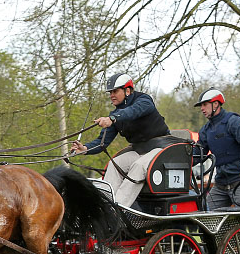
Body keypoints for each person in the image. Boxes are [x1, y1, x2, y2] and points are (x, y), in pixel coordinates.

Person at [70, 73, 172, 208]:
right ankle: (104, 207)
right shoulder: (115, 116)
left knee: (139, 167)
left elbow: (133, 111)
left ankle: (118, 209)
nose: (112, 95)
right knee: (114, 164)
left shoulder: (144, 101)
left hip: (161, 150)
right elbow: (102, 142)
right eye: (110, 92)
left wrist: (112, 119)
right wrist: (85, 149)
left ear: (127, 90)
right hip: (139, 151)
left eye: (115, 91)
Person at [194, 88, 240, 209]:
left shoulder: (233, 121)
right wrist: (183, 163)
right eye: (201, 106)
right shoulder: (206, 130)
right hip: (221, 183)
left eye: (204, 105)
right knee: (205, 212)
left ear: (215, 104)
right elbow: (198, 153)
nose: (202, 109)